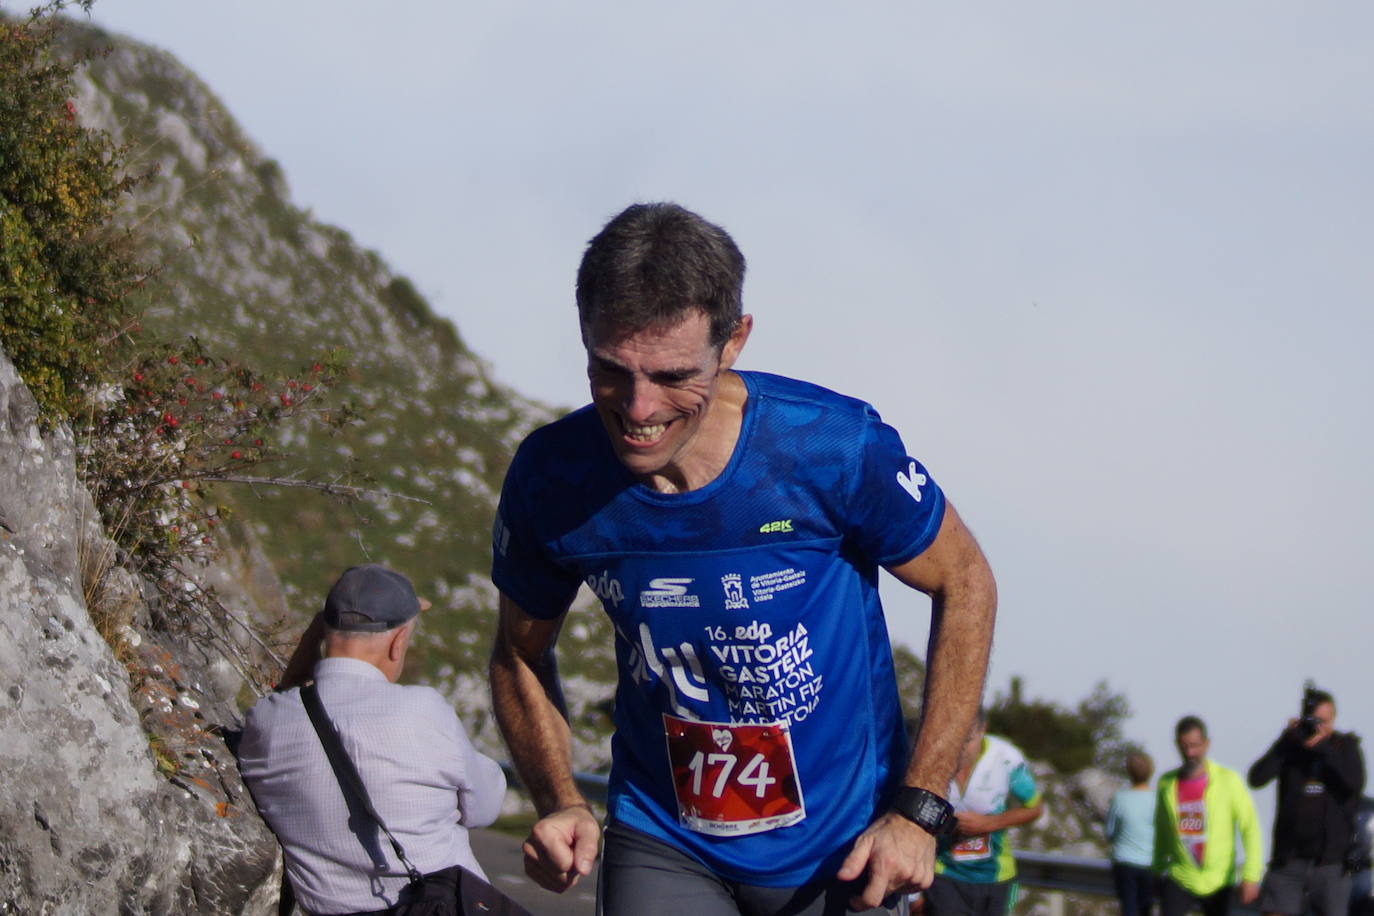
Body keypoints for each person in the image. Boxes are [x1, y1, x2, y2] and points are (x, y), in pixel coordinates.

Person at [488, 202, 998, 916]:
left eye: (671, 376)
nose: (638, 409)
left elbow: (965, 579)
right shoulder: (553, 477)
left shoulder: (829, 447)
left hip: (839, 847)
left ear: (733, 343)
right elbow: (517, 651)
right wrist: (560, 798)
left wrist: (919, 809)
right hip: (664, 834)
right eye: (610, 371)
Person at [238, 564, 507, 916]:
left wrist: (307, 651)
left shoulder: (267, 720)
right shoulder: (423, 710)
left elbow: (282, 701)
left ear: (321, 632)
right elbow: (484, 809)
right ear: (398, 642)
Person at [1247, 685, 1366, 916]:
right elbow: (1256, 778)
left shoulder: (1344, 746)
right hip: (1289, 859)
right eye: (1314, 721)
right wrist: (1284, 743)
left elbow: (1354, 784)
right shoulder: (1289, 747)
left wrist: (1324, 749)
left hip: (1330, 863)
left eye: (1325, 721)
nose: (1318, 728)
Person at [922, 711, 1042, 916]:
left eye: (967, 740)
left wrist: (989, 823)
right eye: (955, 741)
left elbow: (1035, 808)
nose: (961, 750)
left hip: (997, 876)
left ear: (982, 729)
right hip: (944, 873)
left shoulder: (1006, 758)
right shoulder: (932, 756)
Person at [1153, 716, 1263, 916]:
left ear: (1206, 744)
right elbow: (1161, 829)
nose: (1190, 753)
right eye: (1184, 746)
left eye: (1195, 746)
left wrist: (1251, 874)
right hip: (1181, 875)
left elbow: (1250, 828)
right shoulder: (1166, 784)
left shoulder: (1228, 780)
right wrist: (1156, 869)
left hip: (1219, 879)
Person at [1106, 752, 1157, 916]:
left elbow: (1110, 832)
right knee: (1145, 909)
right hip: (1150, 863)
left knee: (1128, 908)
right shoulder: (1157, 800)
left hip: (1125, 862)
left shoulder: (1120, 798)